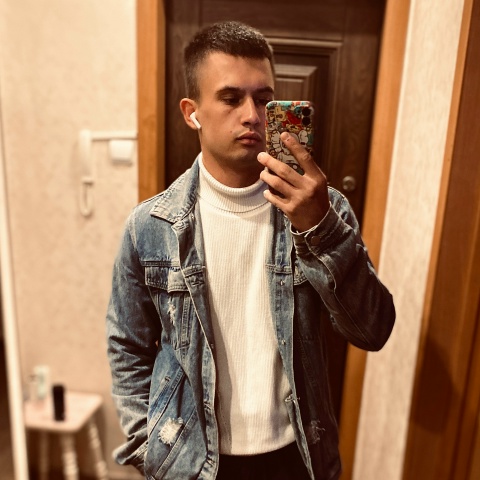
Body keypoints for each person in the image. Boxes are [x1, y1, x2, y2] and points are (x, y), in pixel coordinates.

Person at [106, 21, 395, 480]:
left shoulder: (324, 210)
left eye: (264, 99)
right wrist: (148, 446)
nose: (252, 115)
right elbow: (128, 346)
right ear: (192, 113)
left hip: (297, 457)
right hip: (189, 462)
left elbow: (373, 330)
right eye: (230, 98)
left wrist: (318, 228)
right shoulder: (150, 227)